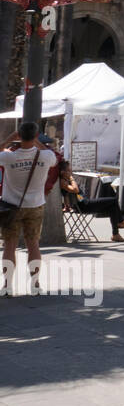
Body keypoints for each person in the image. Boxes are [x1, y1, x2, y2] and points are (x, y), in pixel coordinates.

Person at [0, 123, 57, 296]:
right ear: (36, 135)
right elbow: (52, 158)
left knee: (10, 246)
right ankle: (35, 284)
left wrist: (9, 139)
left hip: (12, 207)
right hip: (35, 205)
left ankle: (8, 286)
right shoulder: (46, 156)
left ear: (19, 135)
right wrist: (37, 141)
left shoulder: (9, 157)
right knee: (33, 245)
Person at [59, 161, 124, 242]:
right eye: (69, 170)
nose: (71, 172)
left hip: (84, 203)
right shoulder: (63, 181)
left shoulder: (65, 180)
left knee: (112, 207)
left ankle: (116, 234)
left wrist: (67, 206)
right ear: (62, 172)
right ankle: (120, 221)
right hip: (84, 205)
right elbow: (75, 190)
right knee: (113, 200)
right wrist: (72, 179)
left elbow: (66, 196)